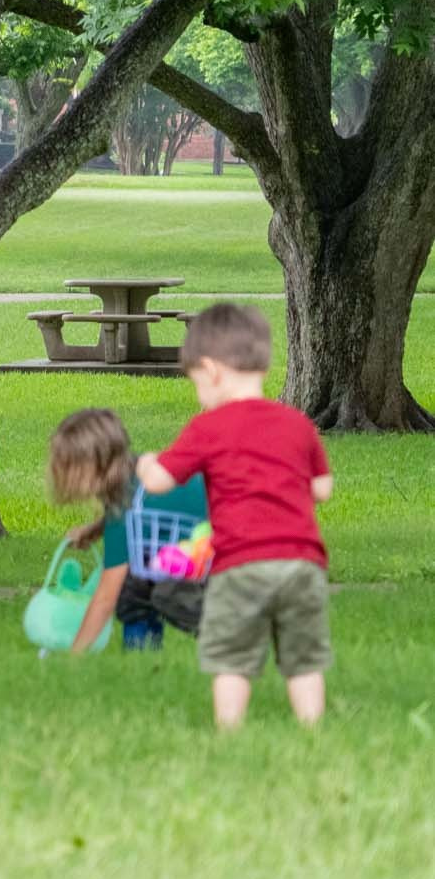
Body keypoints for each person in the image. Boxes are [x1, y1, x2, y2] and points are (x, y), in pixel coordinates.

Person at [138, 303, 334, 729]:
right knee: (304, 658)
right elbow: (322, 488)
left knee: (231, 657)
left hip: (240, 564)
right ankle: (313, 729)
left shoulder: (208, 427)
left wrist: (145, 463)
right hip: (303, 564)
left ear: (211, 371)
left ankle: (230, 732)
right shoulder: (297, 423)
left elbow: (158, 482)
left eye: (196, 383)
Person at [46, 408, 208, 654]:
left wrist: (73, 657)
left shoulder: (125, 506)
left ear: (92, 466)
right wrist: (95, 529)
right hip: (214, 541)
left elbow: (105, 598)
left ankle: (139, 652)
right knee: (142, 575)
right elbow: (149, 512)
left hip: (213, 561)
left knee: (131, 589)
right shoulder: (137, 470)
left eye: (67, 467)